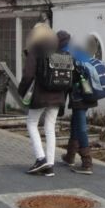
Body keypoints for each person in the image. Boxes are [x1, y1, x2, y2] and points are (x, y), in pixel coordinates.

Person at [18, 22, 67, 177]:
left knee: (32, 123)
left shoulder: (36, 49)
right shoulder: (58, 48)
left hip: (41, 94)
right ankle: (50, 165)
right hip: (58, 93)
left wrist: (21, 91)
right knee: (50, 127)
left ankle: (40, 159)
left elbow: (28, 75)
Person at [58, 31, 96, 174]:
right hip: (89, 92)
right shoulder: (79, 51)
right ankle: (70, 156)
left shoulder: (64, 55)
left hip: (79, 95)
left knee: (80, 127)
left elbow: (64, 81)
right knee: (76, 122)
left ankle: (87, 162)